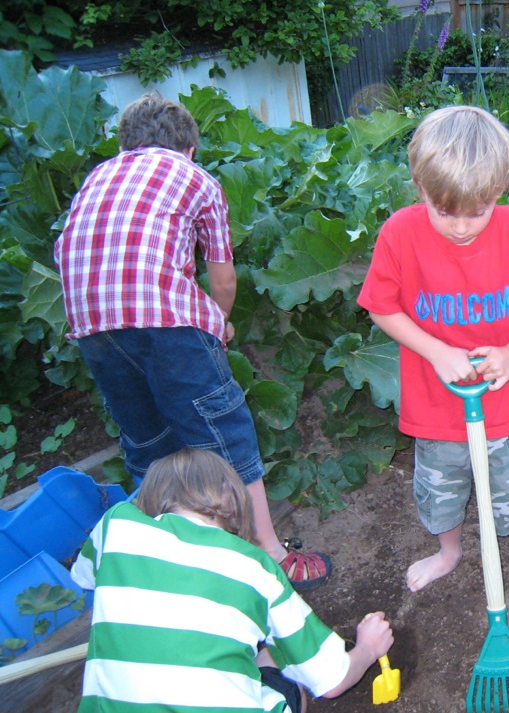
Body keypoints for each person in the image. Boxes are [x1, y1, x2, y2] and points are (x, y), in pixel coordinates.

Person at [52, 92, 331, 589]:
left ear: (126, 144)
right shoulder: (195, 177)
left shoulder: (97, 177)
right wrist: (218, 324)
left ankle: (166, 561)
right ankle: (268, 554)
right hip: (167, 322)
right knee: (226, 434)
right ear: (190, 147)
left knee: (147, 443)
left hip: (91, 323)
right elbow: (222, 279)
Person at [357, 105, 509, 620]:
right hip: (437, 403)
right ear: (419, 187)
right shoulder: (399, 233)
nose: (460, 226)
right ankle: (449, 552)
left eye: (477, 213)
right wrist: (436, 351)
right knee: (442, 486)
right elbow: (381, 306)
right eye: (445, 212)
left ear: (499, 189)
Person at [67, 449, 394, 713]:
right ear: (232, 500)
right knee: (281, 669)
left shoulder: (115, 525)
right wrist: (367, 647)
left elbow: (84, 577)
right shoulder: (254, 566)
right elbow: (332, 682)